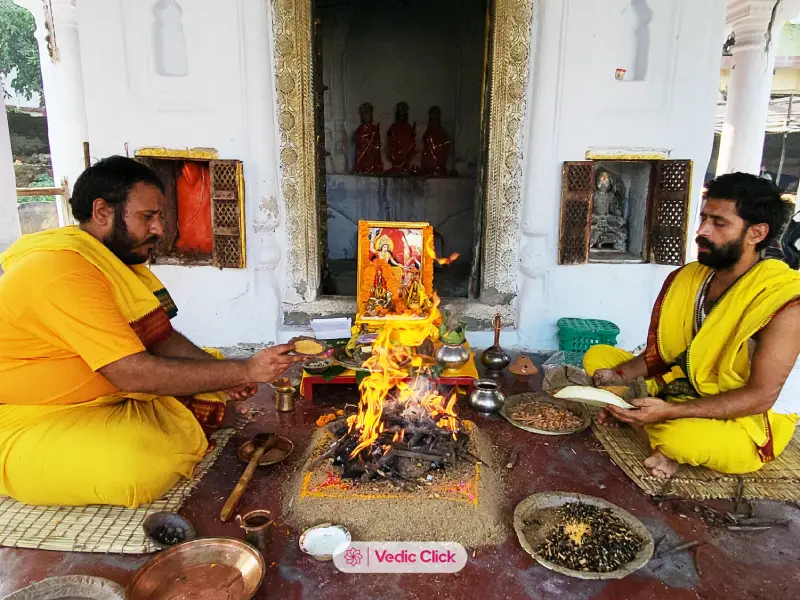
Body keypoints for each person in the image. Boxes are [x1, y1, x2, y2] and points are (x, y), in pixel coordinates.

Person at [0, 156, 305, 507]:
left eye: (159, 217)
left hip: (106, 398)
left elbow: (161, 338)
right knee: (136, 467)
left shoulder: (111, 260)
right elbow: (130, 373)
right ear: (102, 212)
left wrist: (226, 378)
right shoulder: (61, 270)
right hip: (28, 414)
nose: (160, 229)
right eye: (148, 217)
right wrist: (246, 370)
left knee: (210, 376)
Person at [584, 172, 800, 479]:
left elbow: (760, 397)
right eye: (704, 218)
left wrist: (670, 411)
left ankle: (653, 428)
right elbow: (664, 356)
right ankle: (645, 418)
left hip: (747, 419)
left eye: (719, 223)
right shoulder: (691, 278)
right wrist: (616, 375)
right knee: (599, 359)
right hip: (683, 388)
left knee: (679, 439)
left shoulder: (783, 300)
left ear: (756, 233)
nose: (702, 231)